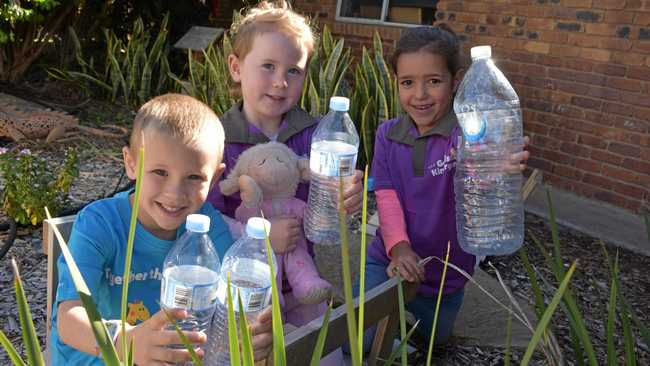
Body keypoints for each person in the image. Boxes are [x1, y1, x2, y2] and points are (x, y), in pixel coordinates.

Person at [51, 94, 273, 365]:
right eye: (159, 172)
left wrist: (257, 332)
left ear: (214, 179)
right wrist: (126, 342)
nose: (175, 193)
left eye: (194, 177)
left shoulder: (209, 225)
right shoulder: (99, 224)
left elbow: (233, 302)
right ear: (131, 163)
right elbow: (69, 318)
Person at [358, 25, 531, 346]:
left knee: (432, 343)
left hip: (447, 276)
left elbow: (479, 181)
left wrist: (498, 169)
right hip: (387, 262)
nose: (420, 95)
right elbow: (386, 196)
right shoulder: (387, 134)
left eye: (433, 81)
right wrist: (400, 248)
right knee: (360, 339)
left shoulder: (466, 134)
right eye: (407, 83)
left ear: (456, 81)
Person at [206, 0, 363, 326]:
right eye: (268, 67)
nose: (281, 81)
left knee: (320, 353)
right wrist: (258, 236)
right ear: (236, 67)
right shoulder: (216, 139)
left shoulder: (316, 136)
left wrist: (346, 197)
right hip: (244, 292)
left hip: (303, 283)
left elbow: (325, 209)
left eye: (294, 71)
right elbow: (205, 218)